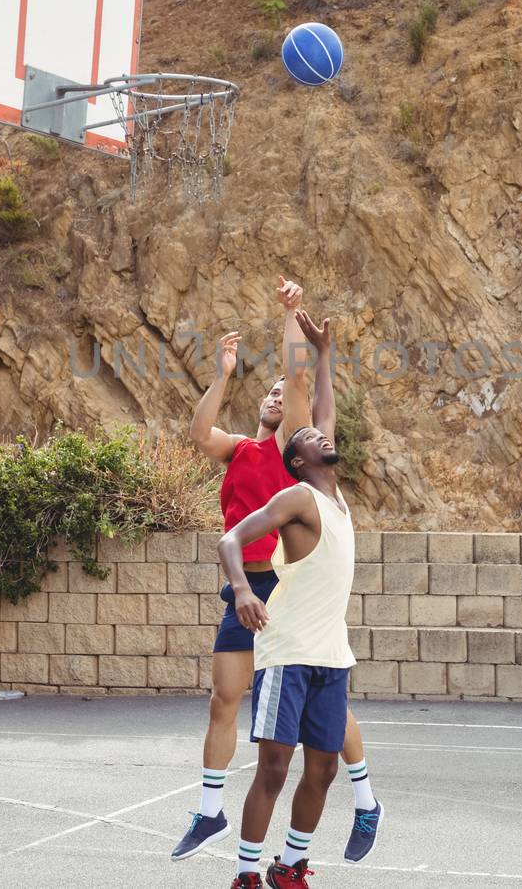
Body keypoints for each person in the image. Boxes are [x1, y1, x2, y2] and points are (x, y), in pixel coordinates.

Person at [171, 282, 380, 866]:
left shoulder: (296, 452)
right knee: (224, 699)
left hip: (281, 589)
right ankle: (211, 811)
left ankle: (364, 798)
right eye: (264, 392)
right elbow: (198, 433)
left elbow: (301, 385)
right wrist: (223, 373)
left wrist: (292, 317)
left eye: (279, 392)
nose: (274, 396)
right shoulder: (241, 450)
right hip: (246, 590)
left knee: (325, 711)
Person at [219, 349, 355, 889]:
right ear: (297, 460)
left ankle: (289, 865)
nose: (323, 438)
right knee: (274, 769)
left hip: (331, 656)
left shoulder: (335, 496)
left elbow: (325, 412)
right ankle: (246, 874)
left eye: (324, 437)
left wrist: (323, 356)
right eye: (310, 440)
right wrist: (243, 590)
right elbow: (230, 539)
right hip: (288, 653)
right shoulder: (296, 495)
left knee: (323, 769)